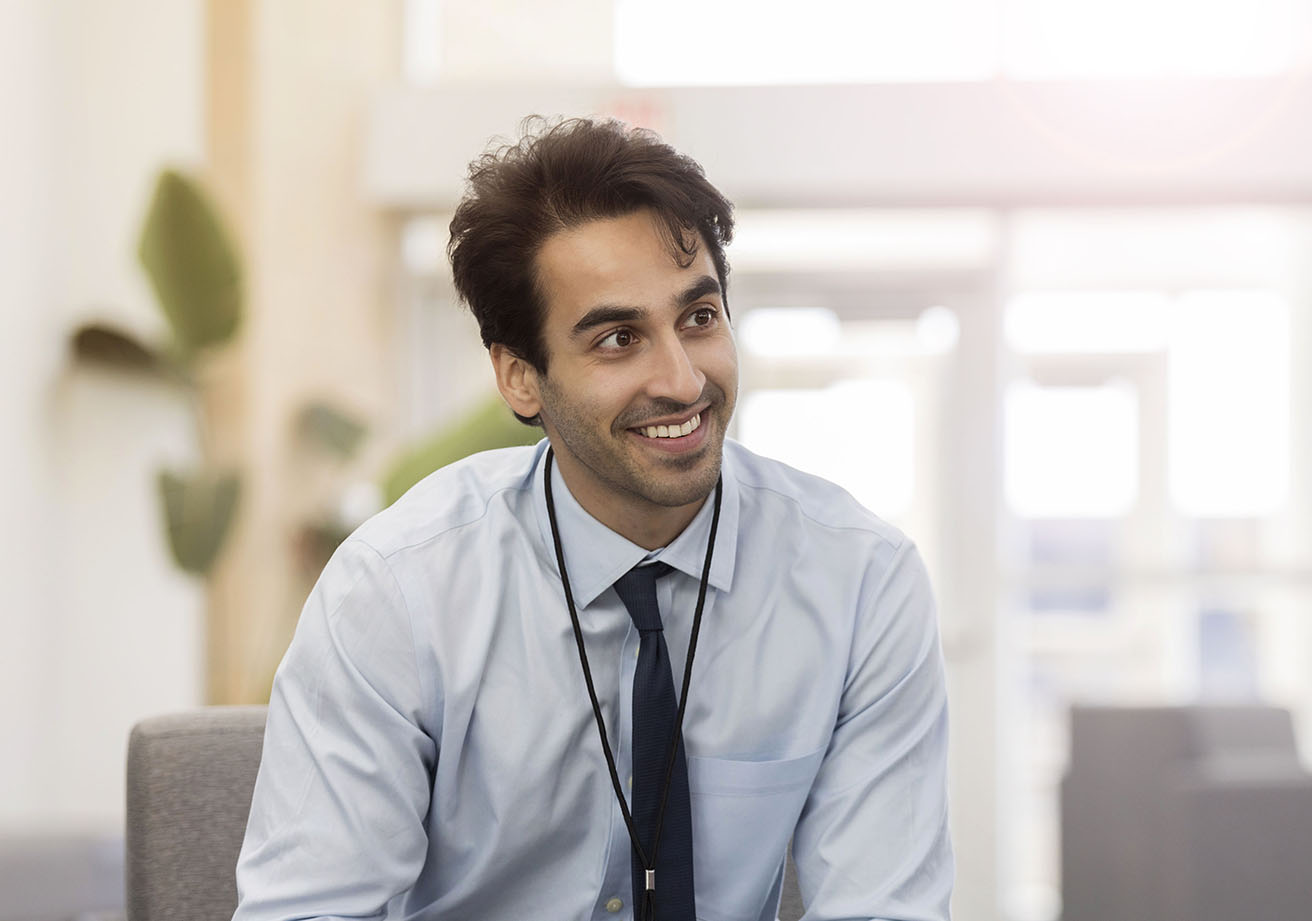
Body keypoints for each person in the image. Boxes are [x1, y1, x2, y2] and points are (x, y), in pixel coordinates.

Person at [233, 117, 952, 921]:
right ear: (520, 380)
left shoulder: (859, 581)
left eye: (699, 318)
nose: (682, 381)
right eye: (619, 338)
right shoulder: (397, 592)